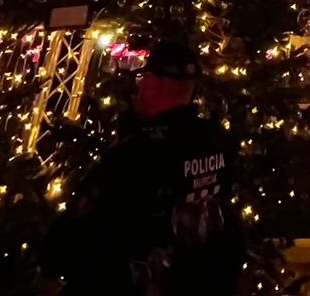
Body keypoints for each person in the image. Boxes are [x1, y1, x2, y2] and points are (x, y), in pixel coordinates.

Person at [45, 41, 242, 296]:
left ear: (153, 83)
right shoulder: (218, 141)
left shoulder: (136, 152)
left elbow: (84, 228)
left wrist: (50, 262)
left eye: (143, 79)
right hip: (197, 281)